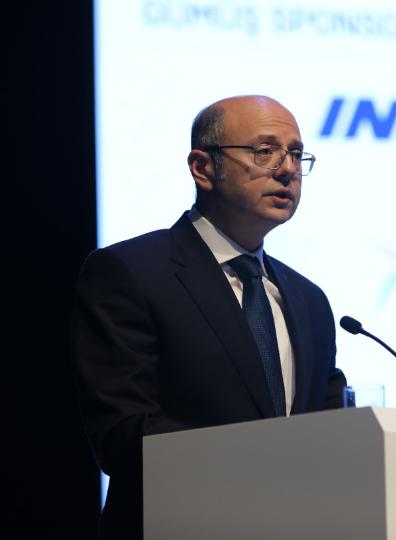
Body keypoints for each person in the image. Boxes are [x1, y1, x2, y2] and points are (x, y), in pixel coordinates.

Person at [71, 95, 347, 540]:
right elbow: (123, 435)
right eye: (265, 151)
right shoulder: (131, 273)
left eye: (297, 154)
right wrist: (267, 469)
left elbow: (332, 429)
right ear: (202, 168)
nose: (287, 170)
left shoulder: (308, 300)